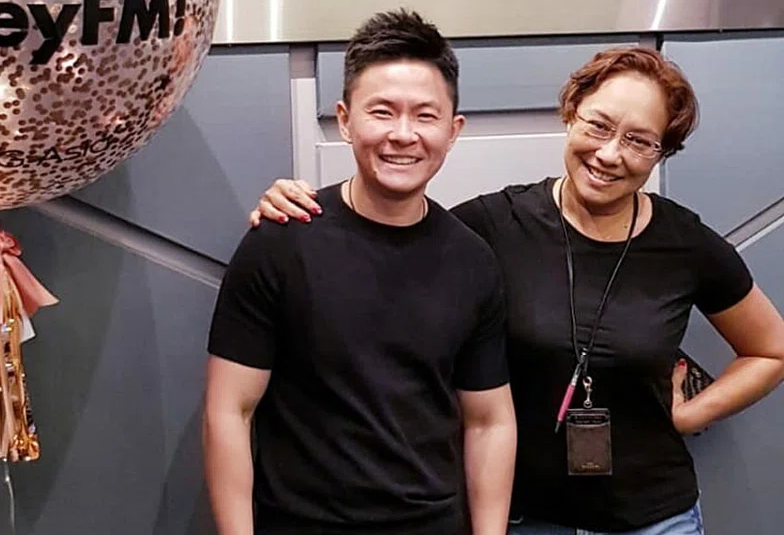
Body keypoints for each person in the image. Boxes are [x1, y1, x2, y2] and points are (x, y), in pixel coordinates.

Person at [250, 46, 784, 535]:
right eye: (599, 126)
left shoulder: (685, 242)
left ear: (662, 152)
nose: (609, 154)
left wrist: (691, 413)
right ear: (571, 113)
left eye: (639, 141)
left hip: (654, 520)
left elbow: (770, 350)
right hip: (523, 519)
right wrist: (299, 209)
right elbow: (385, 233)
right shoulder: (491, 225)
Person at [203, 10, 517, 535]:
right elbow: (228, 411)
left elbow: (489, 421)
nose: (403, 134)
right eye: (382, 112)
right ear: (346, 120)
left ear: (453, 130)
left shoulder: (473, 260)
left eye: (425, 116)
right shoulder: (280, 242)